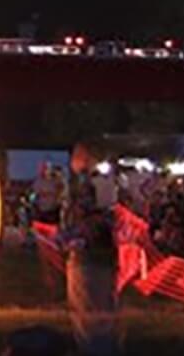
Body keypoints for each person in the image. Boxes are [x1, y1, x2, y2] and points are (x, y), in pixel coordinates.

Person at [61, 144, 122, 355]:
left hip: (89, 255)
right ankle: (100, 347)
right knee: (100, 308)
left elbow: (88, 219)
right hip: (99, 254)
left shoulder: (89, 185)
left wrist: (67, 236)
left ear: (86, 158)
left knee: (89, 310)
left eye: (76, 156)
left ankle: (95, 350)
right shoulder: (102, 183)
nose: (73, 161)